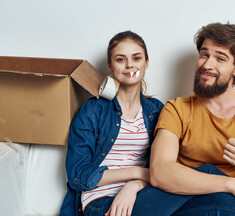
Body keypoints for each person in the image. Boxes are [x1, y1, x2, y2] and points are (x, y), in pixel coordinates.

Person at [131, 22, 235, 216]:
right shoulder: (176, 110)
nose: (207, 64)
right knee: (209, 173)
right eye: (204, 54)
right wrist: (233, 185)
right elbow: (161, 172)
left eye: (220, 58)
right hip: (194, 202)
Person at [59, 31, 163, 216]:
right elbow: (78, 176)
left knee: (209, 185)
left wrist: (134, 185)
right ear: (110, 65)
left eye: (136, 58)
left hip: (143, 193)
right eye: (120, 59)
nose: (130, 64)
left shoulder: (156, 111)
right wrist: (138, 173)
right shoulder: (92, 111)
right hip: (101, 201)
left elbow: (168, 164)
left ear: (146, 62)